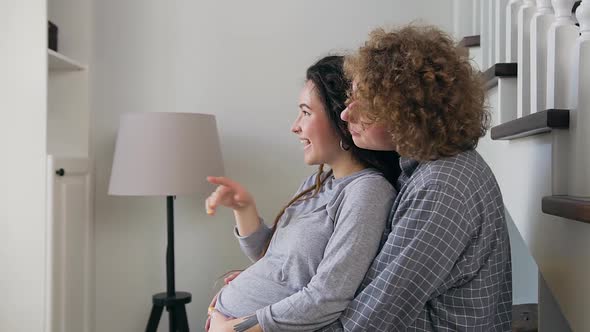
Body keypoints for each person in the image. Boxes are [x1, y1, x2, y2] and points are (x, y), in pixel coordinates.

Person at [318, 25, 512, 331]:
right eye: (349, 98)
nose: (346, 115)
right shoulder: (431, 168)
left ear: (407, 112)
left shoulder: (441, 186)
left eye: (365, 105)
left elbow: (372, 318)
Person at [205, 55, 402, 332]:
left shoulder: (367, 193)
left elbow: (328, 297)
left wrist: (239, 327)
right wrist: (244, 209)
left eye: (306, 112)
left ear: (340, 118)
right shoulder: (317, 183)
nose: (295, 126)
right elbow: (279, 264)